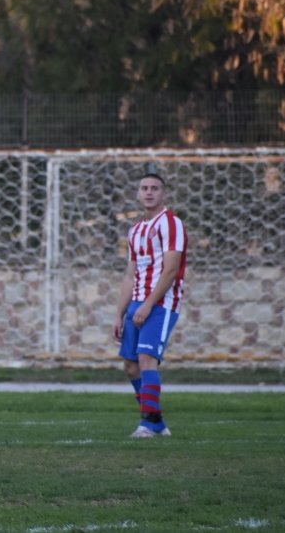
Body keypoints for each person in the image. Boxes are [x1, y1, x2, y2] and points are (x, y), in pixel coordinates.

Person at [112, 172, 188, 439]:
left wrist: (148, 305)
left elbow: (171, 270)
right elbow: (130, 273)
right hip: (136, 304)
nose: (149, 192)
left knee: (146, 360)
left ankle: (146, 425)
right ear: (137, 193)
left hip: (161, 303)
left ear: (163, 193)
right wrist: (120, 314)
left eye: (154, 188)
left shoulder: (171, 224)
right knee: (130, 365)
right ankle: (156, 422)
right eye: (144, 188)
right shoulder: (135, 230)